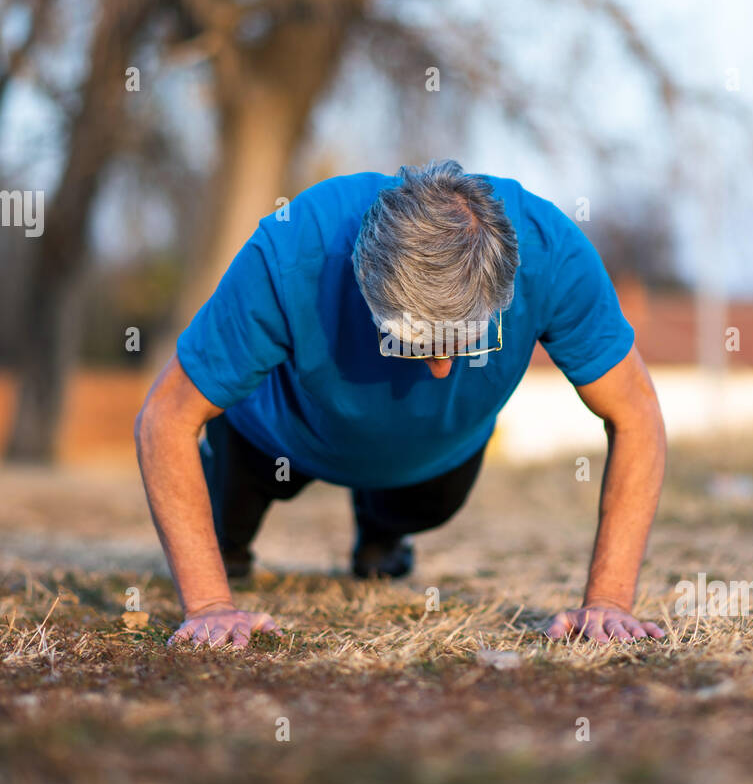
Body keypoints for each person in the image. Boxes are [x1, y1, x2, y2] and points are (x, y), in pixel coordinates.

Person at [135, 160, 666, 649]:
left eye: (462, 344)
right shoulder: (295, 248)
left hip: (433, 453)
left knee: (427, 503)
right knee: (224, 538)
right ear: (364, 282)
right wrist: (208, 604)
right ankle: (233, 534)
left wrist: (609, 601)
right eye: (411, 343)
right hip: (279, 435)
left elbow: (635, 413)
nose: (439, 370)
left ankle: (380, 531)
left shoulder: (553, 255)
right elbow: (165, 417)